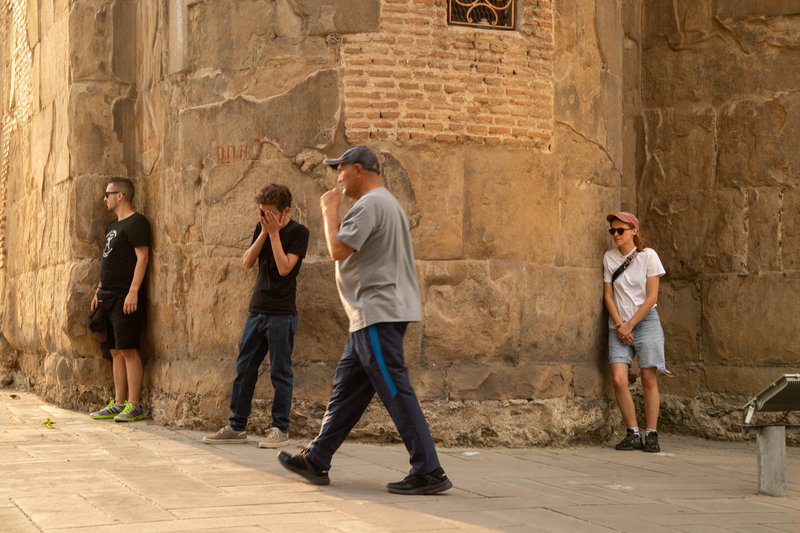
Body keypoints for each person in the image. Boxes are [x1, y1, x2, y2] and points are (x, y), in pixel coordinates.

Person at [276, 145, 452, 495]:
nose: (338, 178)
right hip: (370, 317)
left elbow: (338, 249)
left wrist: (328, 212)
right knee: (347, 391)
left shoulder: (370, 204)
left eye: (340, 170)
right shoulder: (385, 203)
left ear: (358, 169)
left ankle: (429, 470)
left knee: (395, 390)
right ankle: (317, 458)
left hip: (377, 315)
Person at [203, 184, 309, 448]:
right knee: (244, 369)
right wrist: (264, 232)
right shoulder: (262, 228)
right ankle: (237, 425)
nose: (265, 217)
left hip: (281, 313)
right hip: (257, 309)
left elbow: (285, 268)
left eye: (270, 213)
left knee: (280, 372)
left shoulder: (298, 233)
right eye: (262, 212)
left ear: (286, 211)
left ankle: (280, 429)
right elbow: (247, 261)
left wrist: (274, 235)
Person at [603, 212, 669, 453]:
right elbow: (608, 295)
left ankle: (651, 433)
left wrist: (630, 325)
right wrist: (621, 324)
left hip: (645, 321)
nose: (616, 235)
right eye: (613, 231)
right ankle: (632, 432)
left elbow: (652, 295)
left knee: (648, 378)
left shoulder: (648, 256)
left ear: (633, 231)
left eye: (620, 230)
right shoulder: (609, 258)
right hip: (617, 324)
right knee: (619, 379)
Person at [89, 178, 151, 422]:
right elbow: (108, 261)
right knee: (114, 350)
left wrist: (133, 291)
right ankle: (118, 402)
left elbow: (142, 258)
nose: (105, 198)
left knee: (128, 349)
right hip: (108, 296)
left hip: (126, 296)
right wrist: (98, 291)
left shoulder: (137, 223)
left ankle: (134, 405)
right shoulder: (112, 225)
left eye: (108, 194)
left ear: (121, 196)